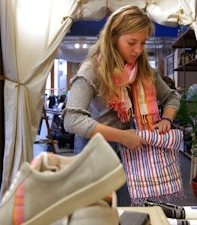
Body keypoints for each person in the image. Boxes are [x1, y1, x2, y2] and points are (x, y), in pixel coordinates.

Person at [62, 5, 180, 205]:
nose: (138, 50)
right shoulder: (91, 70)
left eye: (142, 43)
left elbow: (172, 98)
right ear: (112, 38)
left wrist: (167, 119)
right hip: (94, 149)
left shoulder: (144, 72)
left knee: (126, 207)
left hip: (128, 150)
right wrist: (123, 136)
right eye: (131, 42)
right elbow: (72, 120)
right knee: (94, 209)